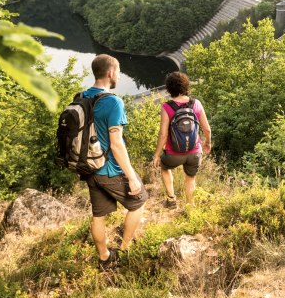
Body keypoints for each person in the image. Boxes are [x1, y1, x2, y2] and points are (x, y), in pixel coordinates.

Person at [82, 54, 148, 270]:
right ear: (110, 73)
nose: (118, 75)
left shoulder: (82, 97)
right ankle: (125, 248)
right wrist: (131, 177)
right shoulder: (113, 102)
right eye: (118, 71)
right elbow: (116, 144)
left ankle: (104, 258)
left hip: (89, 167)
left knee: (98, 215)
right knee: (139, 200)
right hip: (109, 168)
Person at [153, 72, 211, 209]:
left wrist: (156, 154)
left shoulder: (167, 107)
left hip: (173, 154)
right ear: (186, 86)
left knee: (165, 167)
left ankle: (171, 199)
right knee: (190, 179)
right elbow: (207, 129)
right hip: (194, 152)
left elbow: (163, 134)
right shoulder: (196, 103)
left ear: (169, 88)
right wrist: (207, 142)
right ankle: (190, 207)